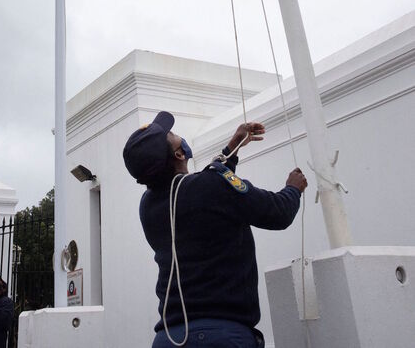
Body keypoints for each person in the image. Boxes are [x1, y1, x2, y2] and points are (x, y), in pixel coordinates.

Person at [123, 111, 307, 348]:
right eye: (172, 134)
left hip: (169, 338)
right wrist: (293, 189)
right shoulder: (211, 186)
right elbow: (278, 213)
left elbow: (205, 189)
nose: (177, 134)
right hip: (222, 336)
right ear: (179, 154)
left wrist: (232, 147)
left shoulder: (147, 206)